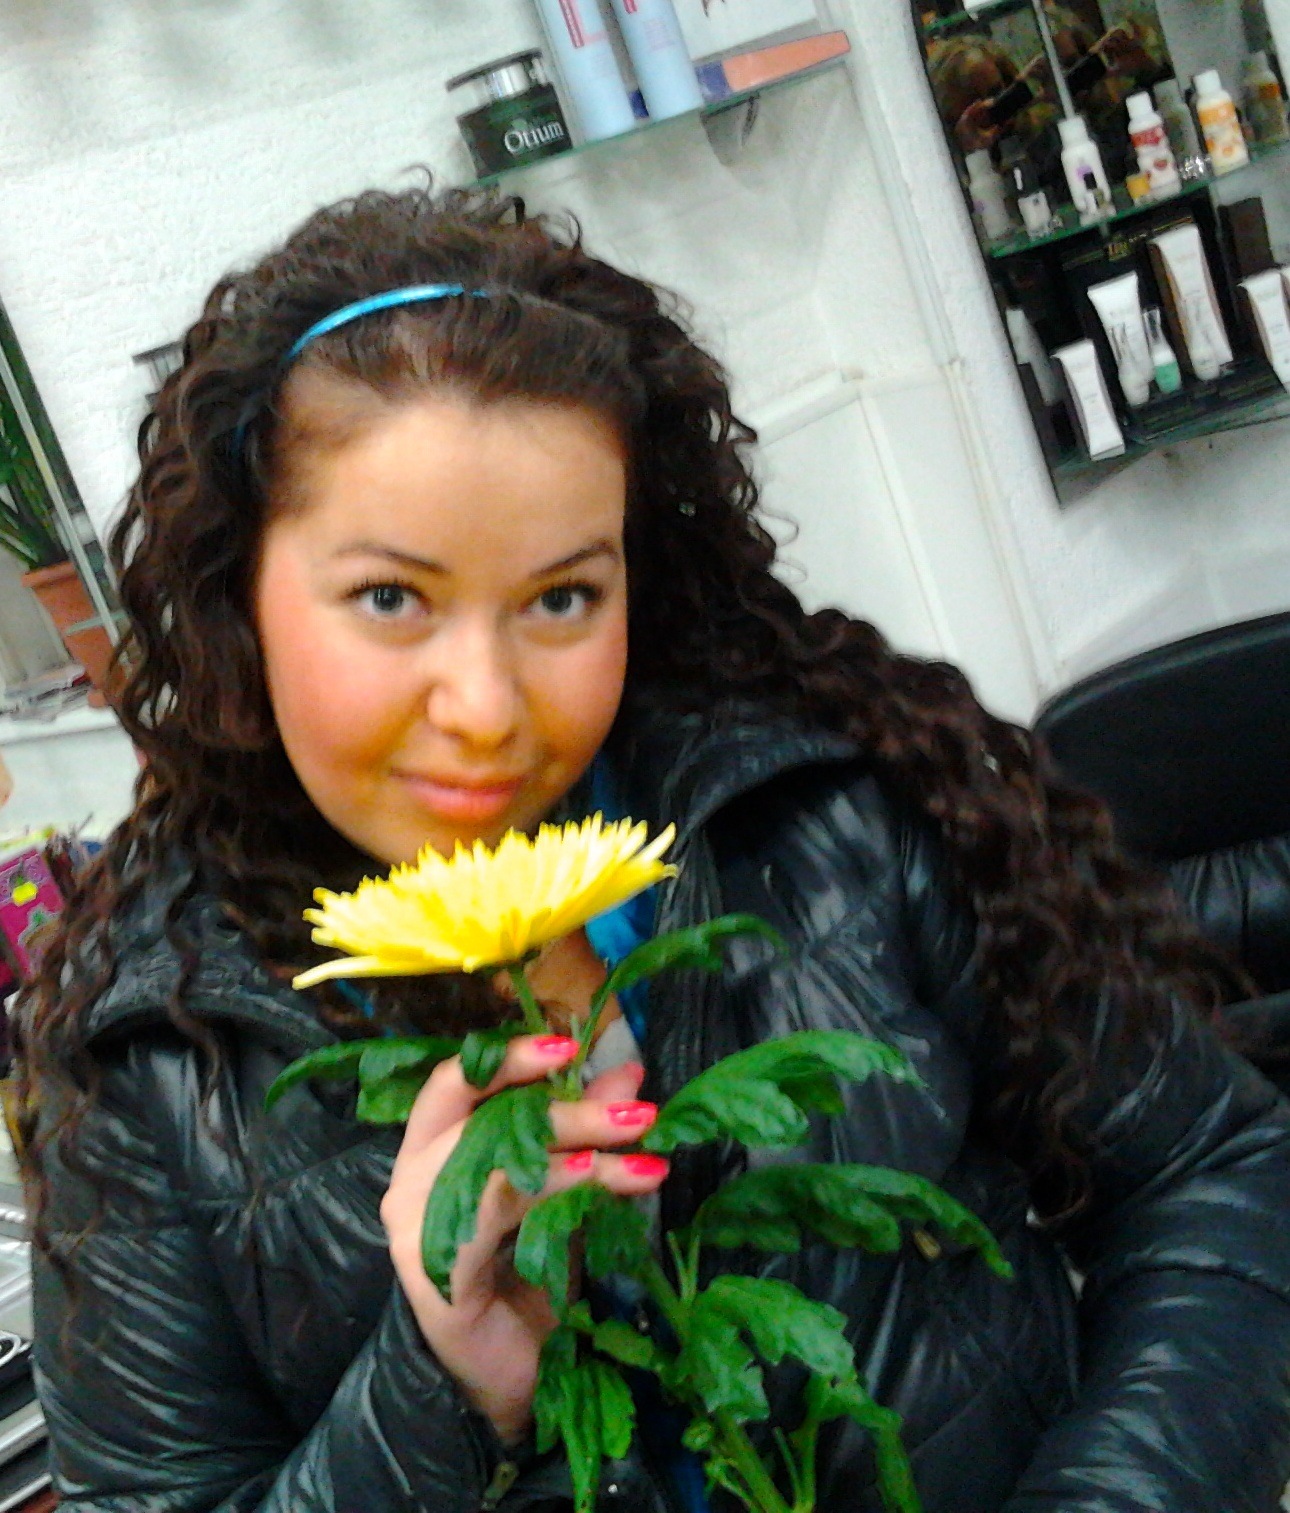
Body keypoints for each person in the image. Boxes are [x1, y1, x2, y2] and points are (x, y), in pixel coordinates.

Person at [15, 183, 1290, 1513]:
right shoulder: (152, 1056)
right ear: (240, 596)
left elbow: (1213, 1171)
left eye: (563, 596)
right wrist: (439, 1393)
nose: (487, 708)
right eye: (389, 596)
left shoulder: (825, 804)